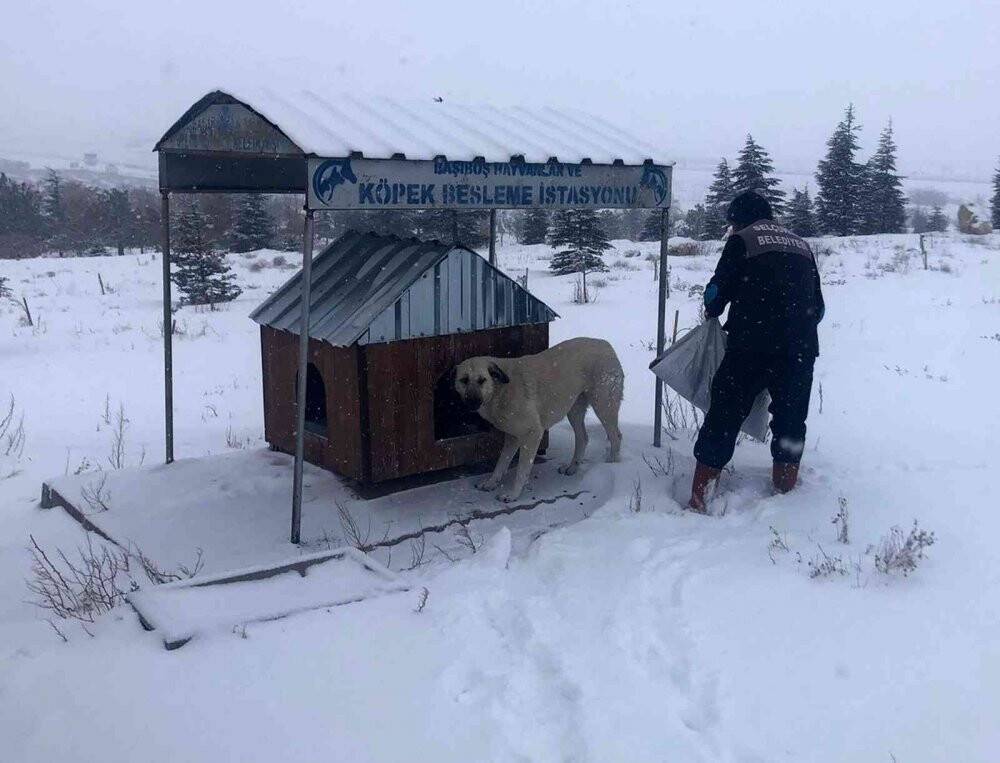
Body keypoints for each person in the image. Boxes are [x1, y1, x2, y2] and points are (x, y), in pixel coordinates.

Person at [689, 190, 825, 511]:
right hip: (800, 349)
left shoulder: (743, 240)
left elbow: (715, 294)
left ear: (739, 220)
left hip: (750, 346)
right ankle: (786, 492)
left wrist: (713, 310)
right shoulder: (802, 246)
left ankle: (700, 497)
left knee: (724, 415)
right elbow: (818, 308)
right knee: (791, 421)